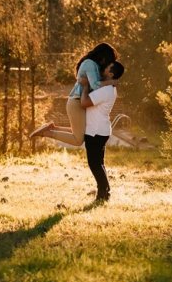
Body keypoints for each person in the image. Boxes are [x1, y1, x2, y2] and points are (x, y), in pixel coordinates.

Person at [36, 60, 125, 202]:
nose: (103, 69)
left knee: (94, 164)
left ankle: (103, 193)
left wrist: (85, 86)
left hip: (95, 132)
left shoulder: (105, 91)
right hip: (100, 129)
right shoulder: (110, 88)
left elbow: (84, 103)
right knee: (99, 163)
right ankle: (104, 192)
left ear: (111, 73)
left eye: (107, 67)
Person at [29, 42, 118, 146]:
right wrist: (111, 82)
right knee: (78, 140)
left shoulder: (95, 66)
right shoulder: (90, 63)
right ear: (103, 56)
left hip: (79, 102)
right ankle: (47, 133)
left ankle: (52, 128)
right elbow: (94, 85)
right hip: (76, 102)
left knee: (82, 132)